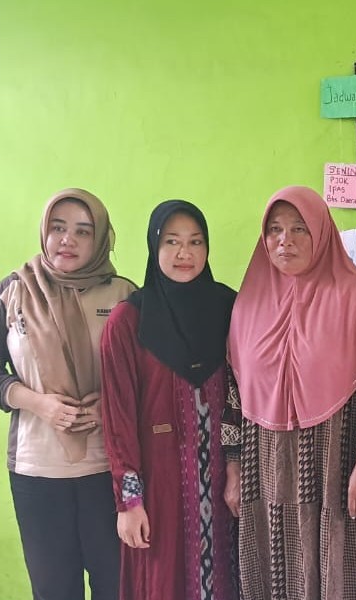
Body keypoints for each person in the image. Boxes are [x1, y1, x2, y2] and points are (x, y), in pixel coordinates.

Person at [223, 186, 356, 600]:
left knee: (346, 575)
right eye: (275, 230)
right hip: (265, 470)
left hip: (338, 465)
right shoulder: (248, 304)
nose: (285, 240)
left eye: (299, 229)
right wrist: (232, 467)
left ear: (322, 233)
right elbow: (234, 396)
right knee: (276, 575)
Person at [0, 188, 135, 600]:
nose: (67, 239)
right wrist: (38, 403)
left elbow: (148, 376)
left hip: (109, 472)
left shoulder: (124, 295)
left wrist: (111, 407)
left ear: (100, 238)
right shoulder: (13, 293)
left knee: (118, 587)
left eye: (83, 231)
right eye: (58, 227)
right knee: (53, 590)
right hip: (37, 473)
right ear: (44, 232)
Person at [100, 200, 237, 600]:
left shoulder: (229, 308)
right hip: (158, 488)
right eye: (172, 241)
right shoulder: (129, 321)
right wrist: (129, 502)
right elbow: (118, 419)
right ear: (154, 246)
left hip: (226, 484)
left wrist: (238, 469)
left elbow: (245, 394)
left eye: (196, 241)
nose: (184, 253)